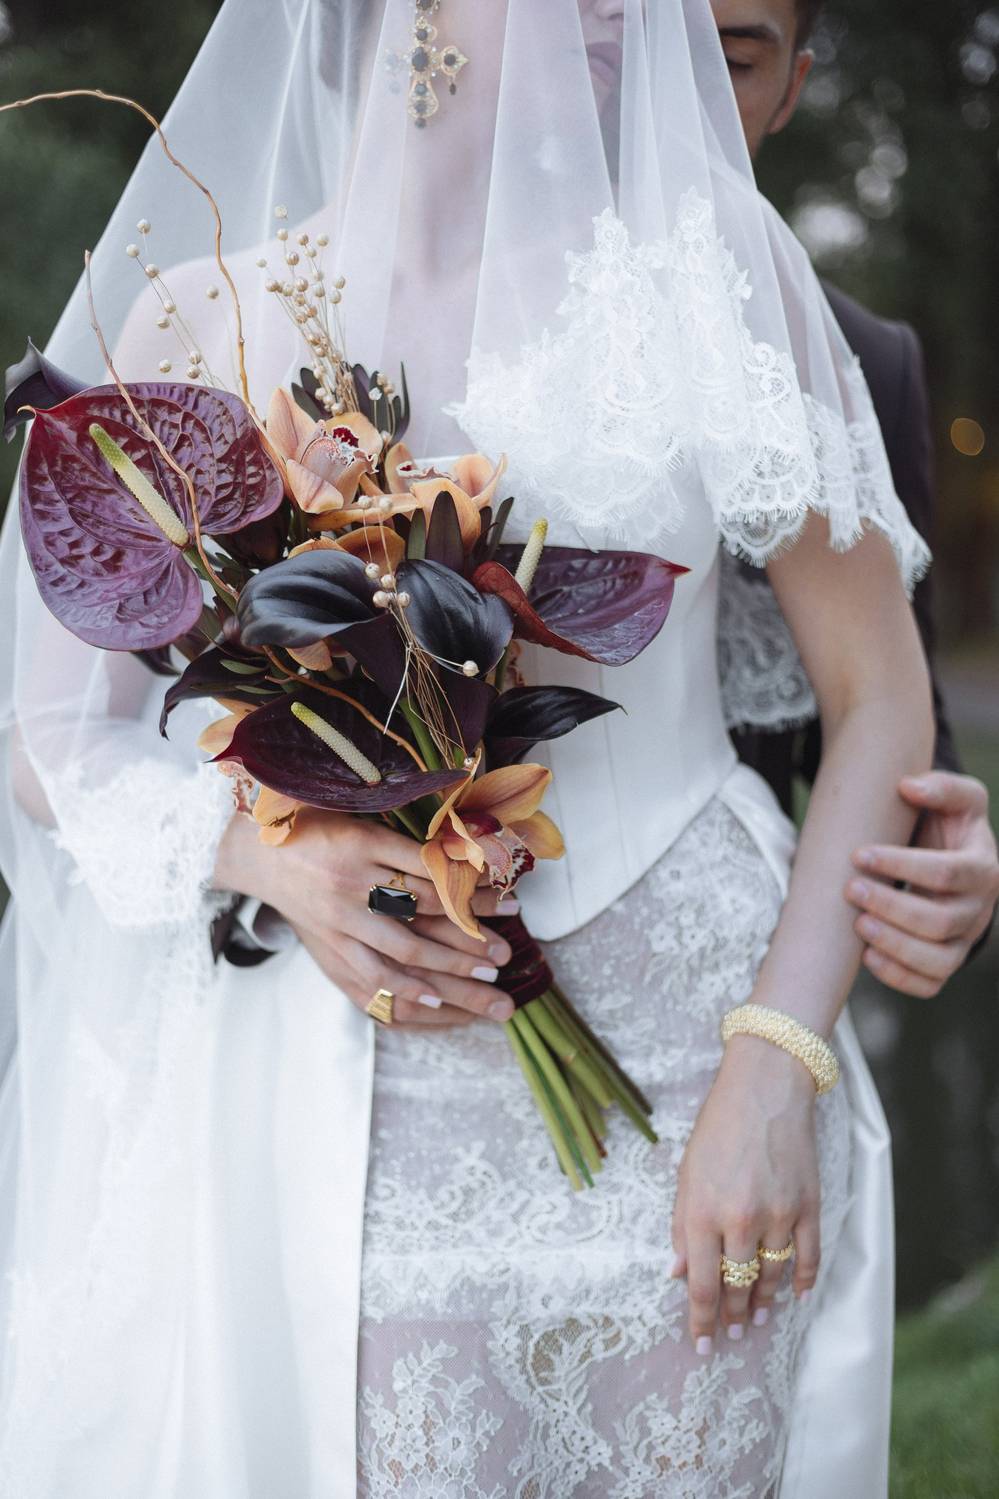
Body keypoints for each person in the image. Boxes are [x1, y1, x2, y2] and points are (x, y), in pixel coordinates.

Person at [0, 2, 942, 1495]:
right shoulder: (200, 315)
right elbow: (45, 729)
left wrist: (777, 1063)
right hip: (345, 1088)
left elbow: (881, 693)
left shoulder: (718, 270)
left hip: (701, 1064)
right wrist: (266, 854)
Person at [712, 0, 999, 993]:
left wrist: (955, 876)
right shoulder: (362, 306)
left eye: (731, 62)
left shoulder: (859, 366)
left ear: (792, 88)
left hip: (727, 980)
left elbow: (902, 731)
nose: (674, 88)